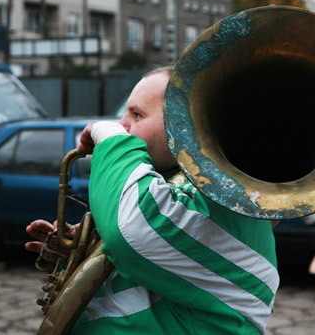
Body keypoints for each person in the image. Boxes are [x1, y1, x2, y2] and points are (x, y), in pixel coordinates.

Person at [26, 66, 279, 334]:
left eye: (137, 114)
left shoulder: (225, 206)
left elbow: (130, 230)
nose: (123, 124)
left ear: (187, 122)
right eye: (124, 114)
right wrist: (79, 255)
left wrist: (109, 135)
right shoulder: (169, 197)